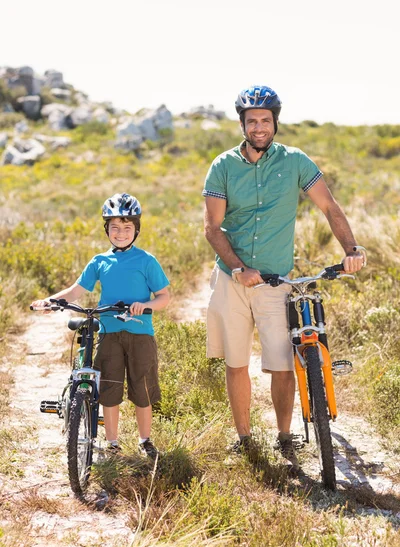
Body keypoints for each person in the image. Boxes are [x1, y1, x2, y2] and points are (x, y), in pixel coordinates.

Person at [203, 85, 364, 467]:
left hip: (276, 283)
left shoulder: (295, 161)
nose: (259, 127)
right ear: (242, 124)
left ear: (275, 122)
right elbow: (213, 228)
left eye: (266, 120)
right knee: (236, 362)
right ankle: (244, 438)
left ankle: (284, 435)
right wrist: (240, 268)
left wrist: (351, 249)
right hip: (232, 279)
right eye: (252, 120)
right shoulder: (222, 166)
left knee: (281, 362)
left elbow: (329, 206)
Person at [31, 193, 170, 458]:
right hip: (109, 333)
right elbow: (75, 291)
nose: (120, 233)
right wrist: (51, 301)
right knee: (109, 389)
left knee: (143, 390)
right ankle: (113, 443)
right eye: (115, 227)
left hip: (140, 333)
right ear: (107, 229)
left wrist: (146, 304)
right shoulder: (99, 261)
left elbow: (165, 297)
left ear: (136, 230)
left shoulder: (146, 261)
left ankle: (145, 440)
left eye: (127, 227)